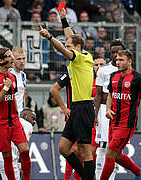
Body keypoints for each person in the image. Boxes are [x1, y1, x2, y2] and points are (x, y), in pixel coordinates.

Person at [39, 8, 95, 179]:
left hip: (84, 107)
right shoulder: (78, 56)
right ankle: (85, 176)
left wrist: (49, 36)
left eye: (69, 46)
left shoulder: (83, 57)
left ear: (78, 48)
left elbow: (64, 49)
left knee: (85, 152)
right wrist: (64, 21)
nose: (66, 47)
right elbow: (70, 38)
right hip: (76, 109)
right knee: (63, 148)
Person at [100, 49, 141, 180]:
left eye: (121, 60)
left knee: (110, 153)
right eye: (117, 60)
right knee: (116, 155)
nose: (117, 62)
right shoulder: (113, 76)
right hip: (113, 121)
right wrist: (108, 109)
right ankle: (139, 173)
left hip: (126, 124)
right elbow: (110, 95)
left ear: (129, 61)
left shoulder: (139, 78)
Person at [0, 47, 31, 180]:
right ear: (0, 61)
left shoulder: (11, 76)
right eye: (9, 56)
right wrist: (5, 88)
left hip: (14, 121)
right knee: (8, 158)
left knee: (25, 151)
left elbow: (14, 97)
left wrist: (16, 114)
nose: (12, 59)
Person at [94, 39, 124, 179]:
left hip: (121, 113)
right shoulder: (103, 70)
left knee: (116, 148)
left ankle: (112, 177)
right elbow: (99, 94)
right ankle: (100, 176)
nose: (115, 55)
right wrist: (95, 115)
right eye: (113, 52)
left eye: (118, 52)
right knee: (103, 145)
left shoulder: (127, 72)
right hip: (105, 112)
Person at [0, 109, 36, 180]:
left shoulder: (11, 120)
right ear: (25, 116)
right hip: (6, 156)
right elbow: (22, 148)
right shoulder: (27, 125)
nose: (34, 122)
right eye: (33, 118)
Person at [10, 46, 27, 115]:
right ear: (13, 60)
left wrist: (24, 112)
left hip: (21, 114)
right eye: (19, 59)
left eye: (23, 58)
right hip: (11, 115)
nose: (22, 61)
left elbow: (22, 95)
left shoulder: (23, 75)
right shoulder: (8, 75)